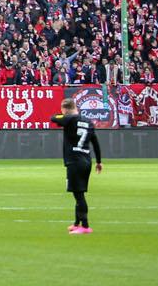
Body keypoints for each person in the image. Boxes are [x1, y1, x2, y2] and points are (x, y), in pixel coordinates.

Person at [50, 97, 103, 234]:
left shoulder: (69, 118)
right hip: (86, 160)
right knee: (78, 192)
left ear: (65, 109)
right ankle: (76, 223)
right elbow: (95, 142)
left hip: (74, 161)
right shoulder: (88, 122)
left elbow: (54, 118)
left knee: (79, 195)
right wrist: (98, 161)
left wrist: (61, 115)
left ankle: (85, 226)